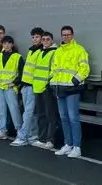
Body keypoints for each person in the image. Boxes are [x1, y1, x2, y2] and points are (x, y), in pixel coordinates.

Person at [51, 25, 89, 158]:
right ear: (61, 36)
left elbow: (85, 68)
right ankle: (68, 144)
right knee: (64, 118)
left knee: (73, 118)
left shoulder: (79, 50)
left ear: (72, 35)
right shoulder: (58, 51)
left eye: (68, 34)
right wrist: (53, 82)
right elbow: (54, 69)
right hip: (59, 88)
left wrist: (75, 81)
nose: (66, 37)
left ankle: (77, 147)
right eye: (64, 35)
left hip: (72, 89)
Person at [11, 27, 44, 146]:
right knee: (31, 112)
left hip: (33, 86)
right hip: (25, 85)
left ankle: (23, 136)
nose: (34, 39)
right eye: (33, 37)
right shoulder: (31, 51)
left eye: (37, 37)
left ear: (41, 38)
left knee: (28, 113)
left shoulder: (41, 51)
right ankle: (32, 136)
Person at [31, 31, 60, 150]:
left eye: (48, 39)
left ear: (52, 40)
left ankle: (50, 140)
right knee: (41, 115)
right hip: (37, 88)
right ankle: (41, 138)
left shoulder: (55, 53)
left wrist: (49, 84)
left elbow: (55, 70)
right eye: (43, 39)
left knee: (50, 115)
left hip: (47, 88)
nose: (45, 41)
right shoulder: (40, 52)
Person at [0, 36, 24, 141]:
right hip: (0, 87)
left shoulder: (17, 57)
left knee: (14, 110)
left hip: (11, 87)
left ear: (12, 45)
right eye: (4, 43)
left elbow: (22, 73)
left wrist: (14, 83)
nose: (6, 45)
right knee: (0, 110)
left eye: (8, 43)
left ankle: (19, 130)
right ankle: (2, 130)